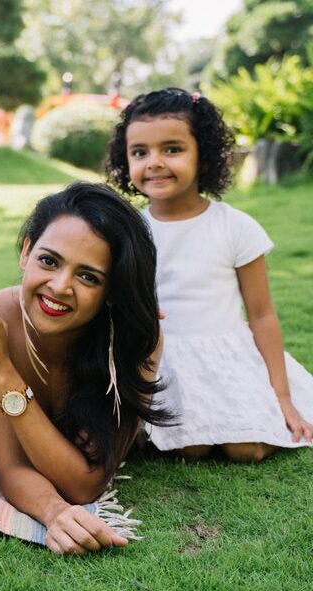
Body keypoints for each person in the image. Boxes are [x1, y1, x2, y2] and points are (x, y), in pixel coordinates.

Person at [0, 182, 170, 555]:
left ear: (113, 291)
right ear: (26, 252)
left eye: (88, 277)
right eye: (49, 261)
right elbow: (12, 467)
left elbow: (86, 483)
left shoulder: (134, 339)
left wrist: (5, 376)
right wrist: (55, 513)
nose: (59, 287)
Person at [106, 87, 313, 462]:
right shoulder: (130, 230)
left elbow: (262, 314)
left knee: (246, 450)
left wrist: (281, 397)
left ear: (204, 156)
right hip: (163, 358)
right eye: (140, 152)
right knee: (192, 447)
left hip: (225, 355)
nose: (154, 162)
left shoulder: (235, 227)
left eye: (172, 149)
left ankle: (259, 415)